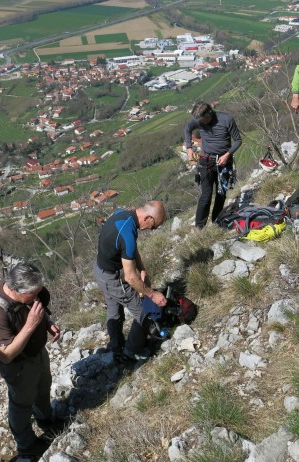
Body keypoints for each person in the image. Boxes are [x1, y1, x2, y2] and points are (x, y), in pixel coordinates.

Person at [0, 262, 61, 460]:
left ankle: (46, 420)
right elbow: (6, 354)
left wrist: (48, 324)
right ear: (15, 289)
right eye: (32, 294)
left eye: (38, 292)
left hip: (37, 353)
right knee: (21, 404)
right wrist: (31, 325)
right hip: (18, 366)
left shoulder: (28, 292)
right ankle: (26, 445)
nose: (36, 297)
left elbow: (36, 309)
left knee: (43, 388)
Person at [93, 201, 167, 363]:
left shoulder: (122, 213)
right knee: (145, 312)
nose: (152, 230)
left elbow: (128, 250)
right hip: (113, 277)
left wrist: (142, 269)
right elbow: (130, 278)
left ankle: (116, 347)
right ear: (148, 218)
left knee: (114, 311)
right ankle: (131, 352)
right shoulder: (127, 234)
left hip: (100, 270)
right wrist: (152, 294)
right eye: (154, 226)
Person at [184, 101, 242, 228]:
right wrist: (189, 147)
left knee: (221, 193)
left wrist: (227, 154)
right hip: (206, 161)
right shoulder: (198, 120)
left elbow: (238, 140)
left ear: (209, 115)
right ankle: (199, 227)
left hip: (224, 162)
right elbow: (188, 128)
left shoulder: (226, 119)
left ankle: (216, 221)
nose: (199, 123)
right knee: (206, 194)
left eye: (202, 120)